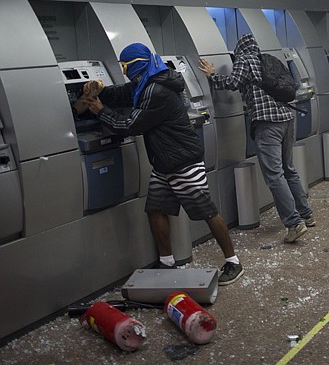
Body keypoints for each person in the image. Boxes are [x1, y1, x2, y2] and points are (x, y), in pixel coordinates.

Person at [83, 42, 244, 286]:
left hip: (183, 162)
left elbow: (131, 126)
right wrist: (102, 90)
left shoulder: (156, 91)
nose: (124, 71)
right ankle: (167, 261)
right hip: (164, 162)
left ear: (136, 65)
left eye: (125, 66)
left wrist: (101, 112)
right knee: (156, 210)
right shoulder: (146, 82)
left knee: (206, 211)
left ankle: (233, 261)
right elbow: (124, 93)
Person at [199, 33, 314, 243]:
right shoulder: (268, 59)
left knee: (274, 175)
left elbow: (233, 82)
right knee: (289, 170)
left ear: (239, 50)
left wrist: (212, 76)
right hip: (287, 119)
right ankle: (306, 214)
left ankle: (294, 223)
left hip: (267, 123)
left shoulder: (244, 60)